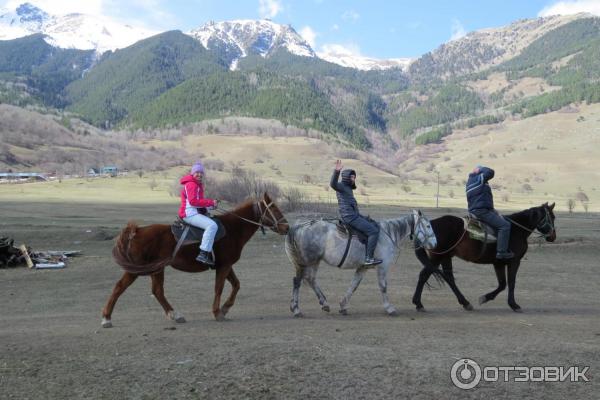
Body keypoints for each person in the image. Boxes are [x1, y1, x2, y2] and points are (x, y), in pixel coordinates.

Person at [330, 160, 382, 267]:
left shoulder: (348, 188)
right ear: (346, 177)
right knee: (373, 231)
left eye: (354, 177)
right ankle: (368, 258)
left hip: (353, 215)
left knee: (373, 223)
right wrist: (336, 171)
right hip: (350, 217)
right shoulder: (340, 186)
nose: (353, 179)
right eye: (352, 177)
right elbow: (332, 184)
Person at [466, 165, 514, 259]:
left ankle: (495, 246)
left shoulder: (472, 181)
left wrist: (492, 210)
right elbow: (491, 172)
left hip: (480, 210)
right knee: (505, 226)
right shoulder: (478, 178)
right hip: (481, 211)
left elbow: (481, 198)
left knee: (501, 219)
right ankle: (501, 252)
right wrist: (480, 168)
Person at [179, 161, 219, 266]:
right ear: (192, 173)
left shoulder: (197, 184)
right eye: (197, 172)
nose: (199, 174)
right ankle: (203, 254)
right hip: (189, 214)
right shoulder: (191, 184)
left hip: (192, 212)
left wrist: (211, 205)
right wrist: (210, 202)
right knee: (212, 225)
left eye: (201, 173)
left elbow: (199, 202)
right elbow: (193, 202)